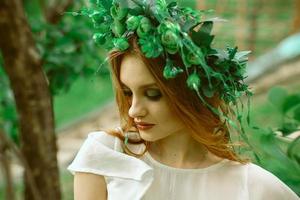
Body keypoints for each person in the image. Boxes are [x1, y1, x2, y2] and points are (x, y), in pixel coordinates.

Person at [67, 0, 299, 199]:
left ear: (191, 93)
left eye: (153, 94)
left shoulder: (251, 187)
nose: (134, 111)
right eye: (128, 93)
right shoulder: (103, 156)